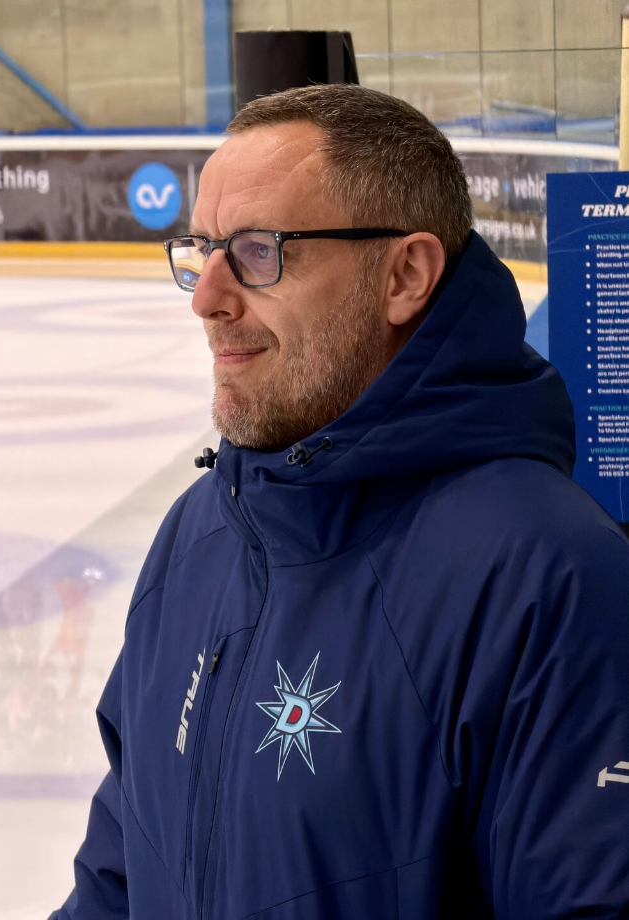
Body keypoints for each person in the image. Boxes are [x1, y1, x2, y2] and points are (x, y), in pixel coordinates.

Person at [49, 85, 629, 920]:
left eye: (257, 251)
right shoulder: (200, 532)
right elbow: (118, 874)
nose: (207, 297)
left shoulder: (549, 576)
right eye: (203, 249)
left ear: (406, 275)